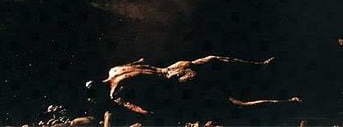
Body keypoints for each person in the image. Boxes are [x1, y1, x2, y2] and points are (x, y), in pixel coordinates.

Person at [97, 55, 302, 115]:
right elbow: (141, 62)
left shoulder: (115, 94)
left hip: (180, 82)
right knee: (214, 60)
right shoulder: (114, 69)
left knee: (235, 104)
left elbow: (138, 108)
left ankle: (288, 103)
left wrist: (150, 113)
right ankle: (259, 65)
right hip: (176, 66)